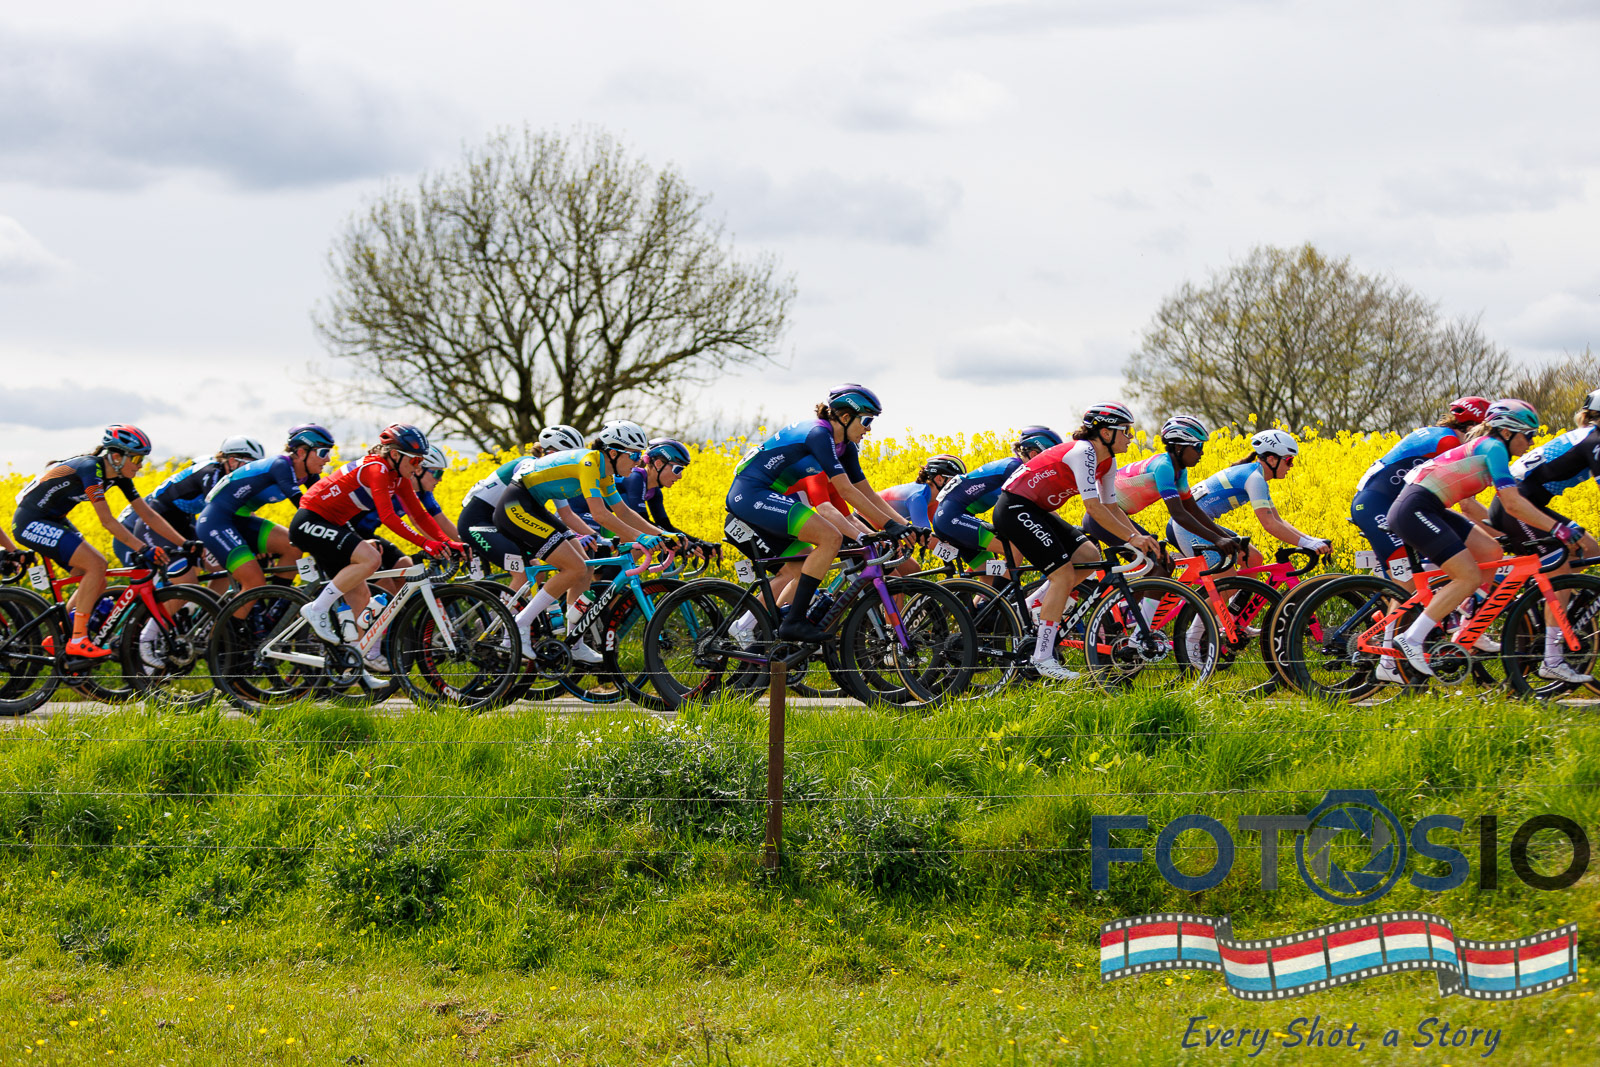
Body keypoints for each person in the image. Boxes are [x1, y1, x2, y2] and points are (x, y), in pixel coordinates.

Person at [1386, 399, 1590, 683]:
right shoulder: (1494, 448)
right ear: (1507, 432)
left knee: (1490, 551)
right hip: (1416, 509)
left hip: (1430, 507)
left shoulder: (1490, 447)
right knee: (1467, 576)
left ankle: (1470, 624)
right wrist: (1558, 529)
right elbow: (1512, 503)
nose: (1532, 442)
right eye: (1528, 435)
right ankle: (1412, 638)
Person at [724, 384, 911, 642]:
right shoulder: (819, 434)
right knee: (830, 537)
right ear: (845, 417)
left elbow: (867, 493)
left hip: (767, 496)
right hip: (752, 493)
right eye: (866, 420)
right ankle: (794, 623)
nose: (869, 429)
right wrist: (887, 526)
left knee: (803, 564)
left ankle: (770, 634)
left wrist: (904, 526)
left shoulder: (845, 447)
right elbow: (845, 490)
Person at [994, 403, 1158, 681]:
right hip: (1014, 508)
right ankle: (1043, 657)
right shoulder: (1084, 452)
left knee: (1088, 555)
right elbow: (1093, 508)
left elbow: (1112, 507)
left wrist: (1136, 539)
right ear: (1106, 433)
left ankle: (1033, 606)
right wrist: (1132, 537)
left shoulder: (1107, 461)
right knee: (1062, 575)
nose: (1130, 437)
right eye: (1125, 431)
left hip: (1037, 510)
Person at [495, 420, 670, 662]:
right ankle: (520, 623)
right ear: (613, 452)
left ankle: (575, 642)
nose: (638, 461)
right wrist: (641, 537)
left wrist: (663, 536)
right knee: (574, 567)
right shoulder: (589, 463)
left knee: (585, 568)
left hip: (533, 506)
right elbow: (600, 515)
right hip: (516, 506)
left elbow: (623, 512)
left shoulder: (605, 473)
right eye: (633, 455)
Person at [291, 424, 461, 672]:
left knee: (361, 597)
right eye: (415, 460)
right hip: (310, 520)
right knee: (370, 559)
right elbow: (388, 517)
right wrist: (426, 543)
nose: (417, 468)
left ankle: (358, 661)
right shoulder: (377, 468)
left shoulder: (397, 476)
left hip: (333, 525)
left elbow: (419, 516)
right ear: (395, 454)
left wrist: (447, 542)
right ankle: (316, 609)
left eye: (421, 462)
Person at [11, 425, 189, 658]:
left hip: (53, 520)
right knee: (96, 564)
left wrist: (183, 543)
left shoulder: (119, 476)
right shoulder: (90, 469)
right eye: (136, 458)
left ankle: (60, 634)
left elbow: (148, 515)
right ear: (116, 456)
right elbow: (107, 521)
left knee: (96, 579)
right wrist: (143, 548)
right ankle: (78, 639)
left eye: (142, 459)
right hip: (30, 522)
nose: (140, 465)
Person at [1350, 397, 1488, 584]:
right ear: (1472, 428)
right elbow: (1467, 505)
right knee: (1408, 585)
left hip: (1392, 504)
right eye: (1485, 434)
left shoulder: (1441, 434)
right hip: (1378, 506)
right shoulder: (1449, 443)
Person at [197, 424, 334, 596]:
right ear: (301, 453)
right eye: (323, 452)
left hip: (241, 521)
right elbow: (303, 506)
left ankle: (276, 607)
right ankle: (234, 615)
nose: (328, 459)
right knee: (254, 583)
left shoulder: (309, 474)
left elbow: (325, 505)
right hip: (217, 521)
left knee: (294, 547)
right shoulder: (281, 466)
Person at [1096, 414, 1238, 574]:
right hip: (1105, 517)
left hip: (1117, 516)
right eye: (1198, 446)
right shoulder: (1164, 467)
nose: (1202, 453)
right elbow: (1179, 514)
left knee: (1164, 565)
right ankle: (1135, 592)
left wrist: (1226, 538)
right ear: (1179, 447)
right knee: (1159, 566)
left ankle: (1136, 592)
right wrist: (1218, 539)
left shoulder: (1179, 471)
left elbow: (1193, 509)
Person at [115, 435, 266, 584]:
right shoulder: (211, 474)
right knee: (187, 585)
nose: (252, 471)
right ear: (232, 461)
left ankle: (212, 602)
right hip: (154, 528)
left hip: (182, 525)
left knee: (230, 567)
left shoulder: (229, 480)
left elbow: (243, 511)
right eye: (249, 464)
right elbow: (226, 514)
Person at [1172, 429, 1331, 570]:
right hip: (1187, 526)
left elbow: (1277, 520)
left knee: (1253, 559)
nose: (1291, 466)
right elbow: (1269, 524)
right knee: (1227, 582)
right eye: (1289, 460)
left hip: (1195, 523)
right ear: (1271, 459)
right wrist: (1306, 543)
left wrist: (1311, 540)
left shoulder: (1256, 476)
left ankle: (1238, 598)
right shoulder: (1254, 478)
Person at [459, 425, 589, 590]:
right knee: (527, 573)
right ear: (551, 454)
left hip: (506, 523)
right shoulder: (527, 465)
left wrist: (594, 537)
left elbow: (567, 514)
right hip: (478, 524)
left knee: (581, 564)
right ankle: (502, 608)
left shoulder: (553, 476)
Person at [930, 427, 1061, 573]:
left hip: (951, 518)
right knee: (1014, 548)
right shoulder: (1015, 468)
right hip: (953, 518)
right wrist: (1064, 529)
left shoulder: (1013, 465)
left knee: (989, 580)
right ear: (1034, 454)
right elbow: (1036, 507)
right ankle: (1007, 587)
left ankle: (993, 589)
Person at [347, 444, 462, 595]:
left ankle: (397, 610)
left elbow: (439, 521)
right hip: (348, 531)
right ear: (419, 470)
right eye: (437, 473)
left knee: (407, 569)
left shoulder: (422, 492)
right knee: (386, 586)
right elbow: (415, 522)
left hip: (366, 534)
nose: (440, 479)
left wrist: (460, 545)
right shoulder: (396, 485)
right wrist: (434, 545)